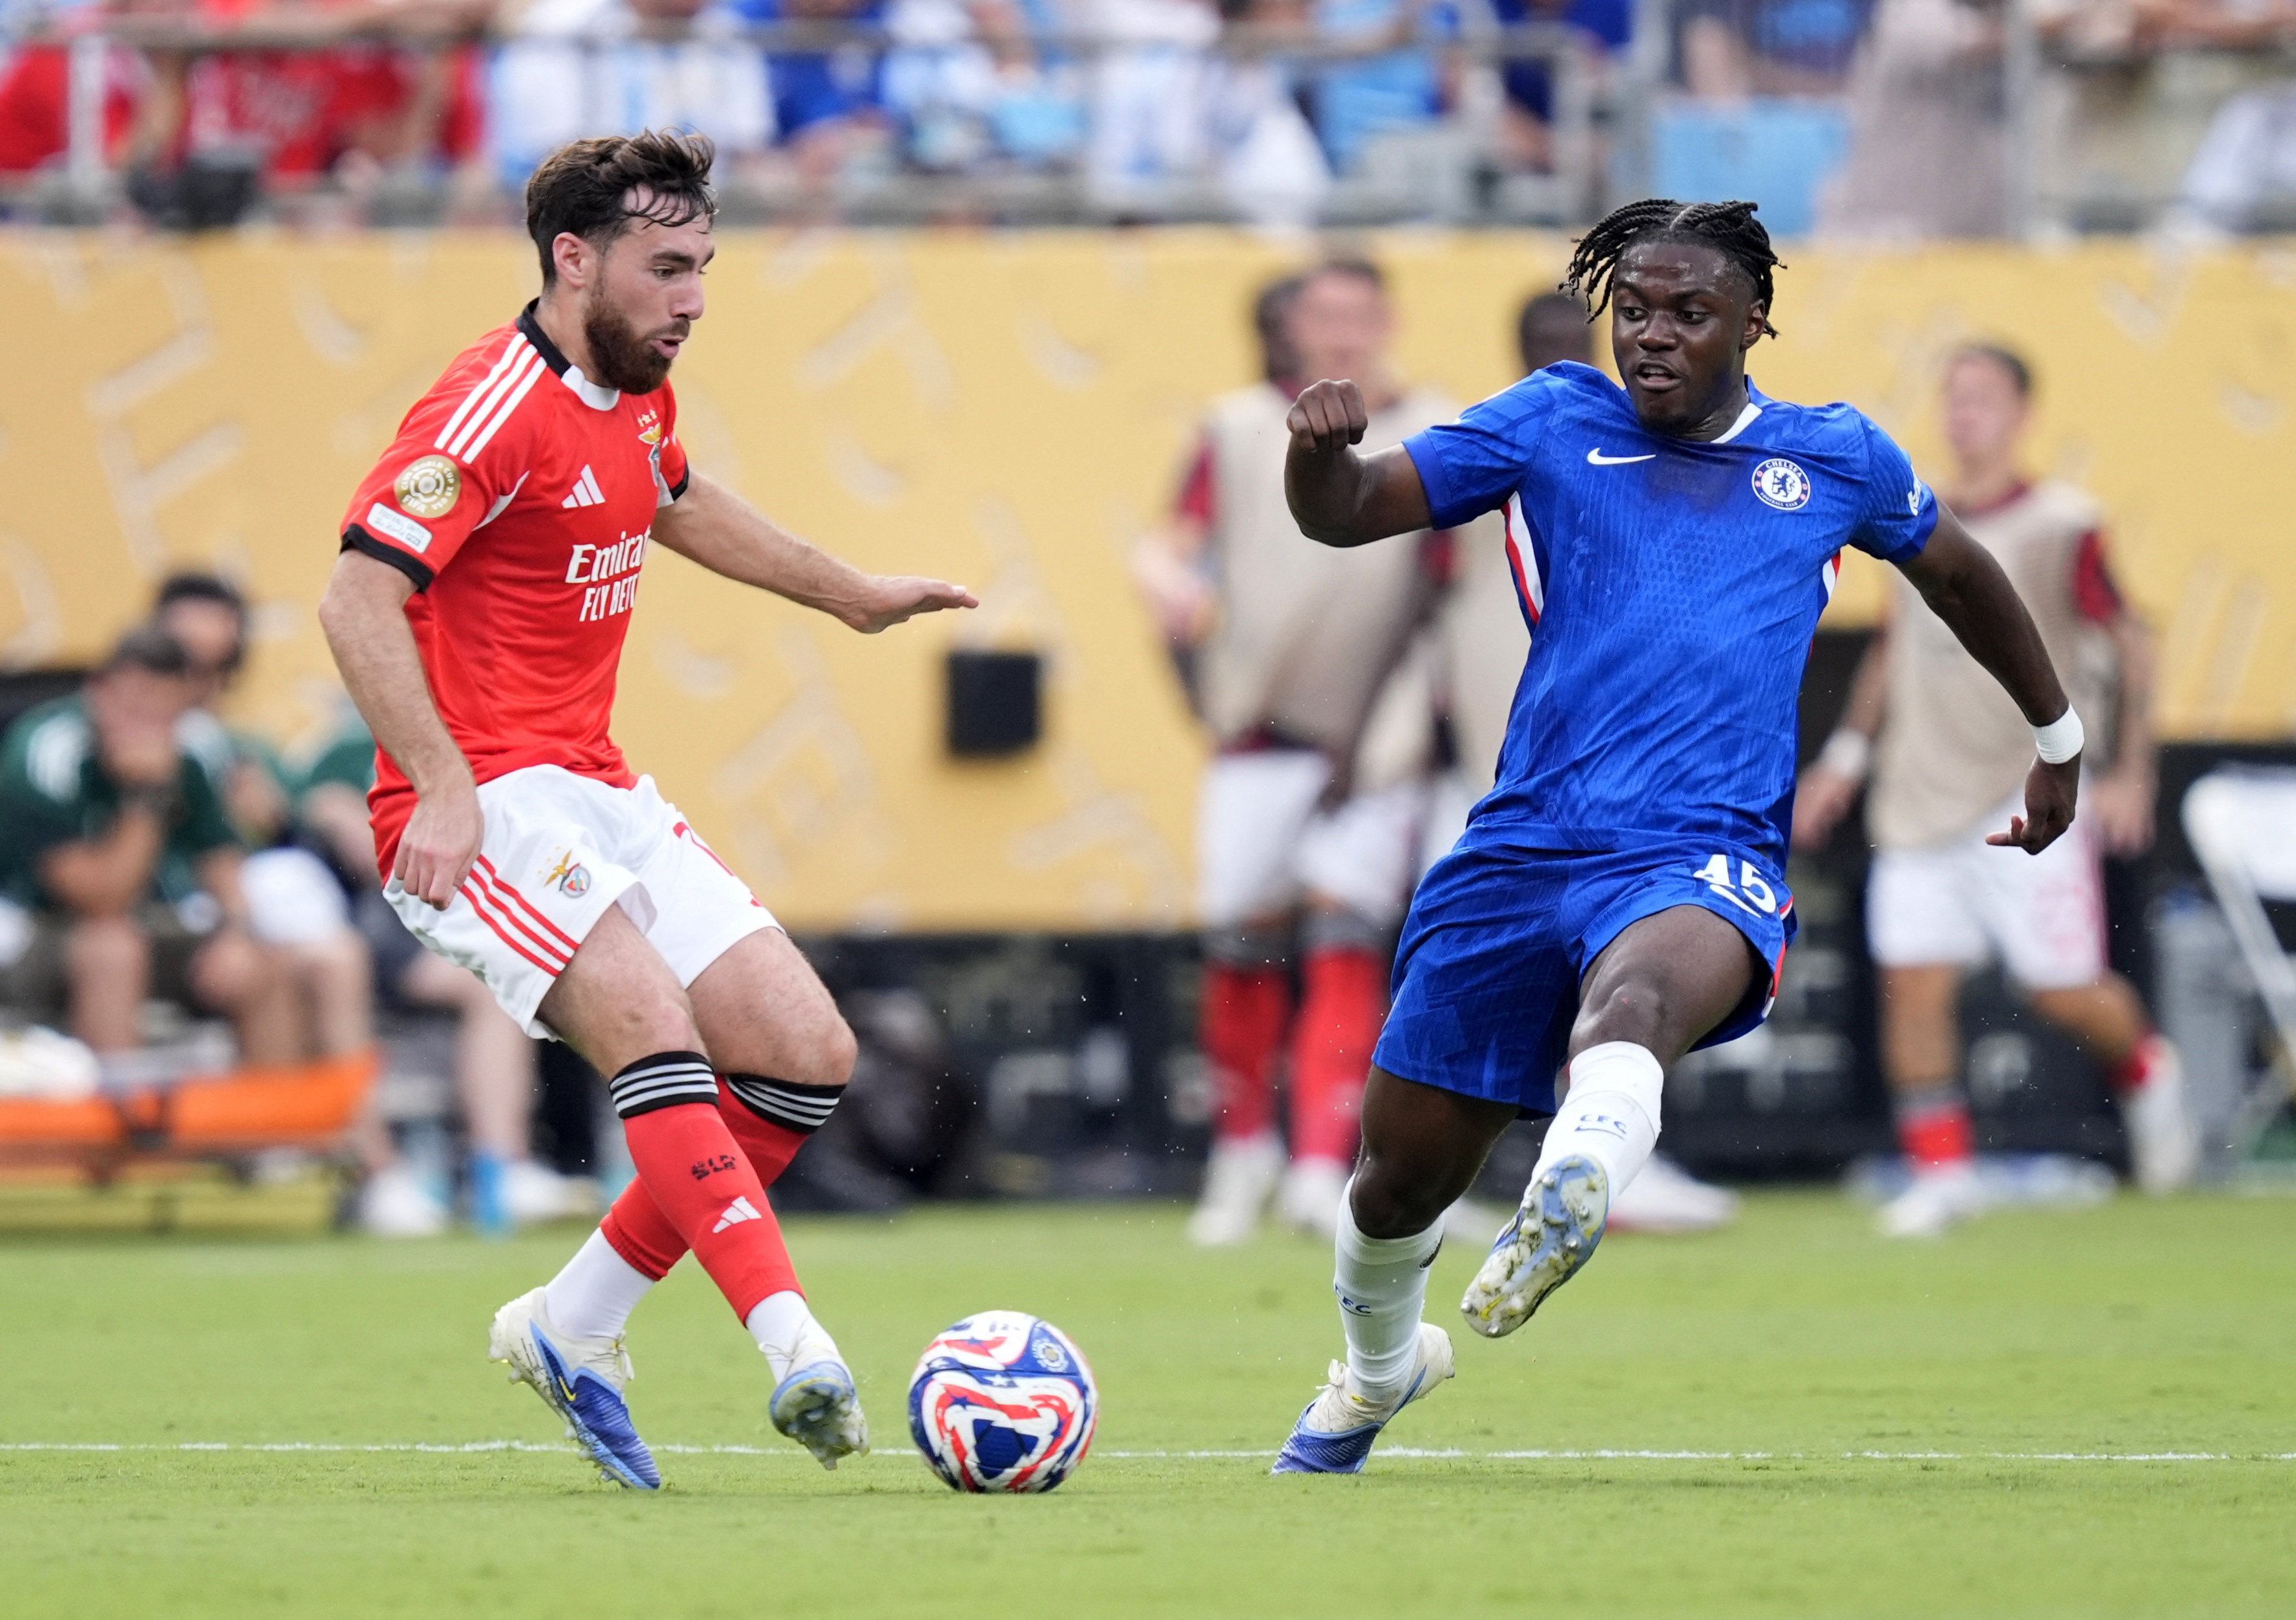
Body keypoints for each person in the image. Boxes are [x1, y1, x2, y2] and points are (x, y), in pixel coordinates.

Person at [1267, 197, 2086, 1473]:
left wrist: (2056, 741)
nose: (1649, 336)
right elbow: (1347, 508)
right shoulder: (1547, 420)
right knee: (1390, 1187)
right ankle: (1378, 1368)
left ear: (1751, 324)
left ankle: (1575, 1184)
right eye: (1632, 311)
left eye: (1685, 313)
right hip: (1521, 849)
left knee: (1637, 1001)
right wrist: (1315, 454)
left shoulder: (1830, 458)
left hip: (1702, 847)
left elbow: (1964, 577)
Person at [316, 129, 974, 1489]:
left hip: (597, 782)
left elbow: (672, 498)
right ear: (573, 259)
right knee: (652, 1028)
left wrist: (843, 589)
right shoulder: (485, 408)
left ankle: (575, 1323)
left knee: (803, 1052)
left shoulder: (637, 388)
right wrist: (439, 778)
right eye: (666, 267)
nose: (691, 299)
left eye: (703, 269)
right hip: (478, 800)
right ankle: (794, 1344)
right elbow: (353, 594)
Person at [1793, 342, 2196, 1237]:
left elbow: (2131, 642)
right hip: (1915, 792)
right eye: (1954, 398)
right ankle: (1943, 1175)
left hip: (2024, 794)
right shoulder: (1913, 516)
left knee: (2060, 987)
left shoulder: (2065, 522)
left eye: (1983, 398)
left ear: (2021, 413)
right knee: (1912, 983)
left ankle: (2150, 1078)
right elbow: (1896, 649)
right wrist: (1845, 761)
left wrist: (2130, 767)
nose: (1964, 413)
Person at [1136, 259, 1456, 1247]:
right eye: (1326, 315)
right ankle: (1242, 1156)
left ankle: (1323, 1163)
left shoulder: (1439, 425)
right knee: (1243, 947)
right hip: (1255, 731)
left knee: (1345, 940)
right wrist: (1170, 602)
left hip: (1378, 736)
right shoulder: (1234, 426)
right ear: (1295, 327)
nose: (1345, 332)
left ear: (1388, 321)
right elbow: (1171, 551)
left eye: (1362, 314)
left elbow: (1444, 583)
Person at [1418, 289, 1741, 1237]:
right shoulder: (1490, 445)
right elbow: (1424, 604)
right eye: (1544, 344)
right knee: (1489, 982)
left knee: (1639, 967)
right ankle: (1482, 1170)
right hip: (1500, 770)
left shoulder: (1653, 452)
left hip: (1631, 774)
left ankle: (1605, 1160)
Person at [0, 626, 296, 1062]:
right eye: (135, 710)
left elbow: (221, 862)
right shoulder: (45, 752)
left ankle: (275, 1126)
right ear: (99, 692)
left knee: (260, 962)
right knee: (111, 950)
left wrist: (235, 933)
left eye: (163, 716)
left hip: (150, 920)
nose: (147, 731)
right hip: (32, 929)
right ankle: (124, 1122)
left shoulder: (191, 745)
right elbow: (101, 899)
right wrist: (146, 797)